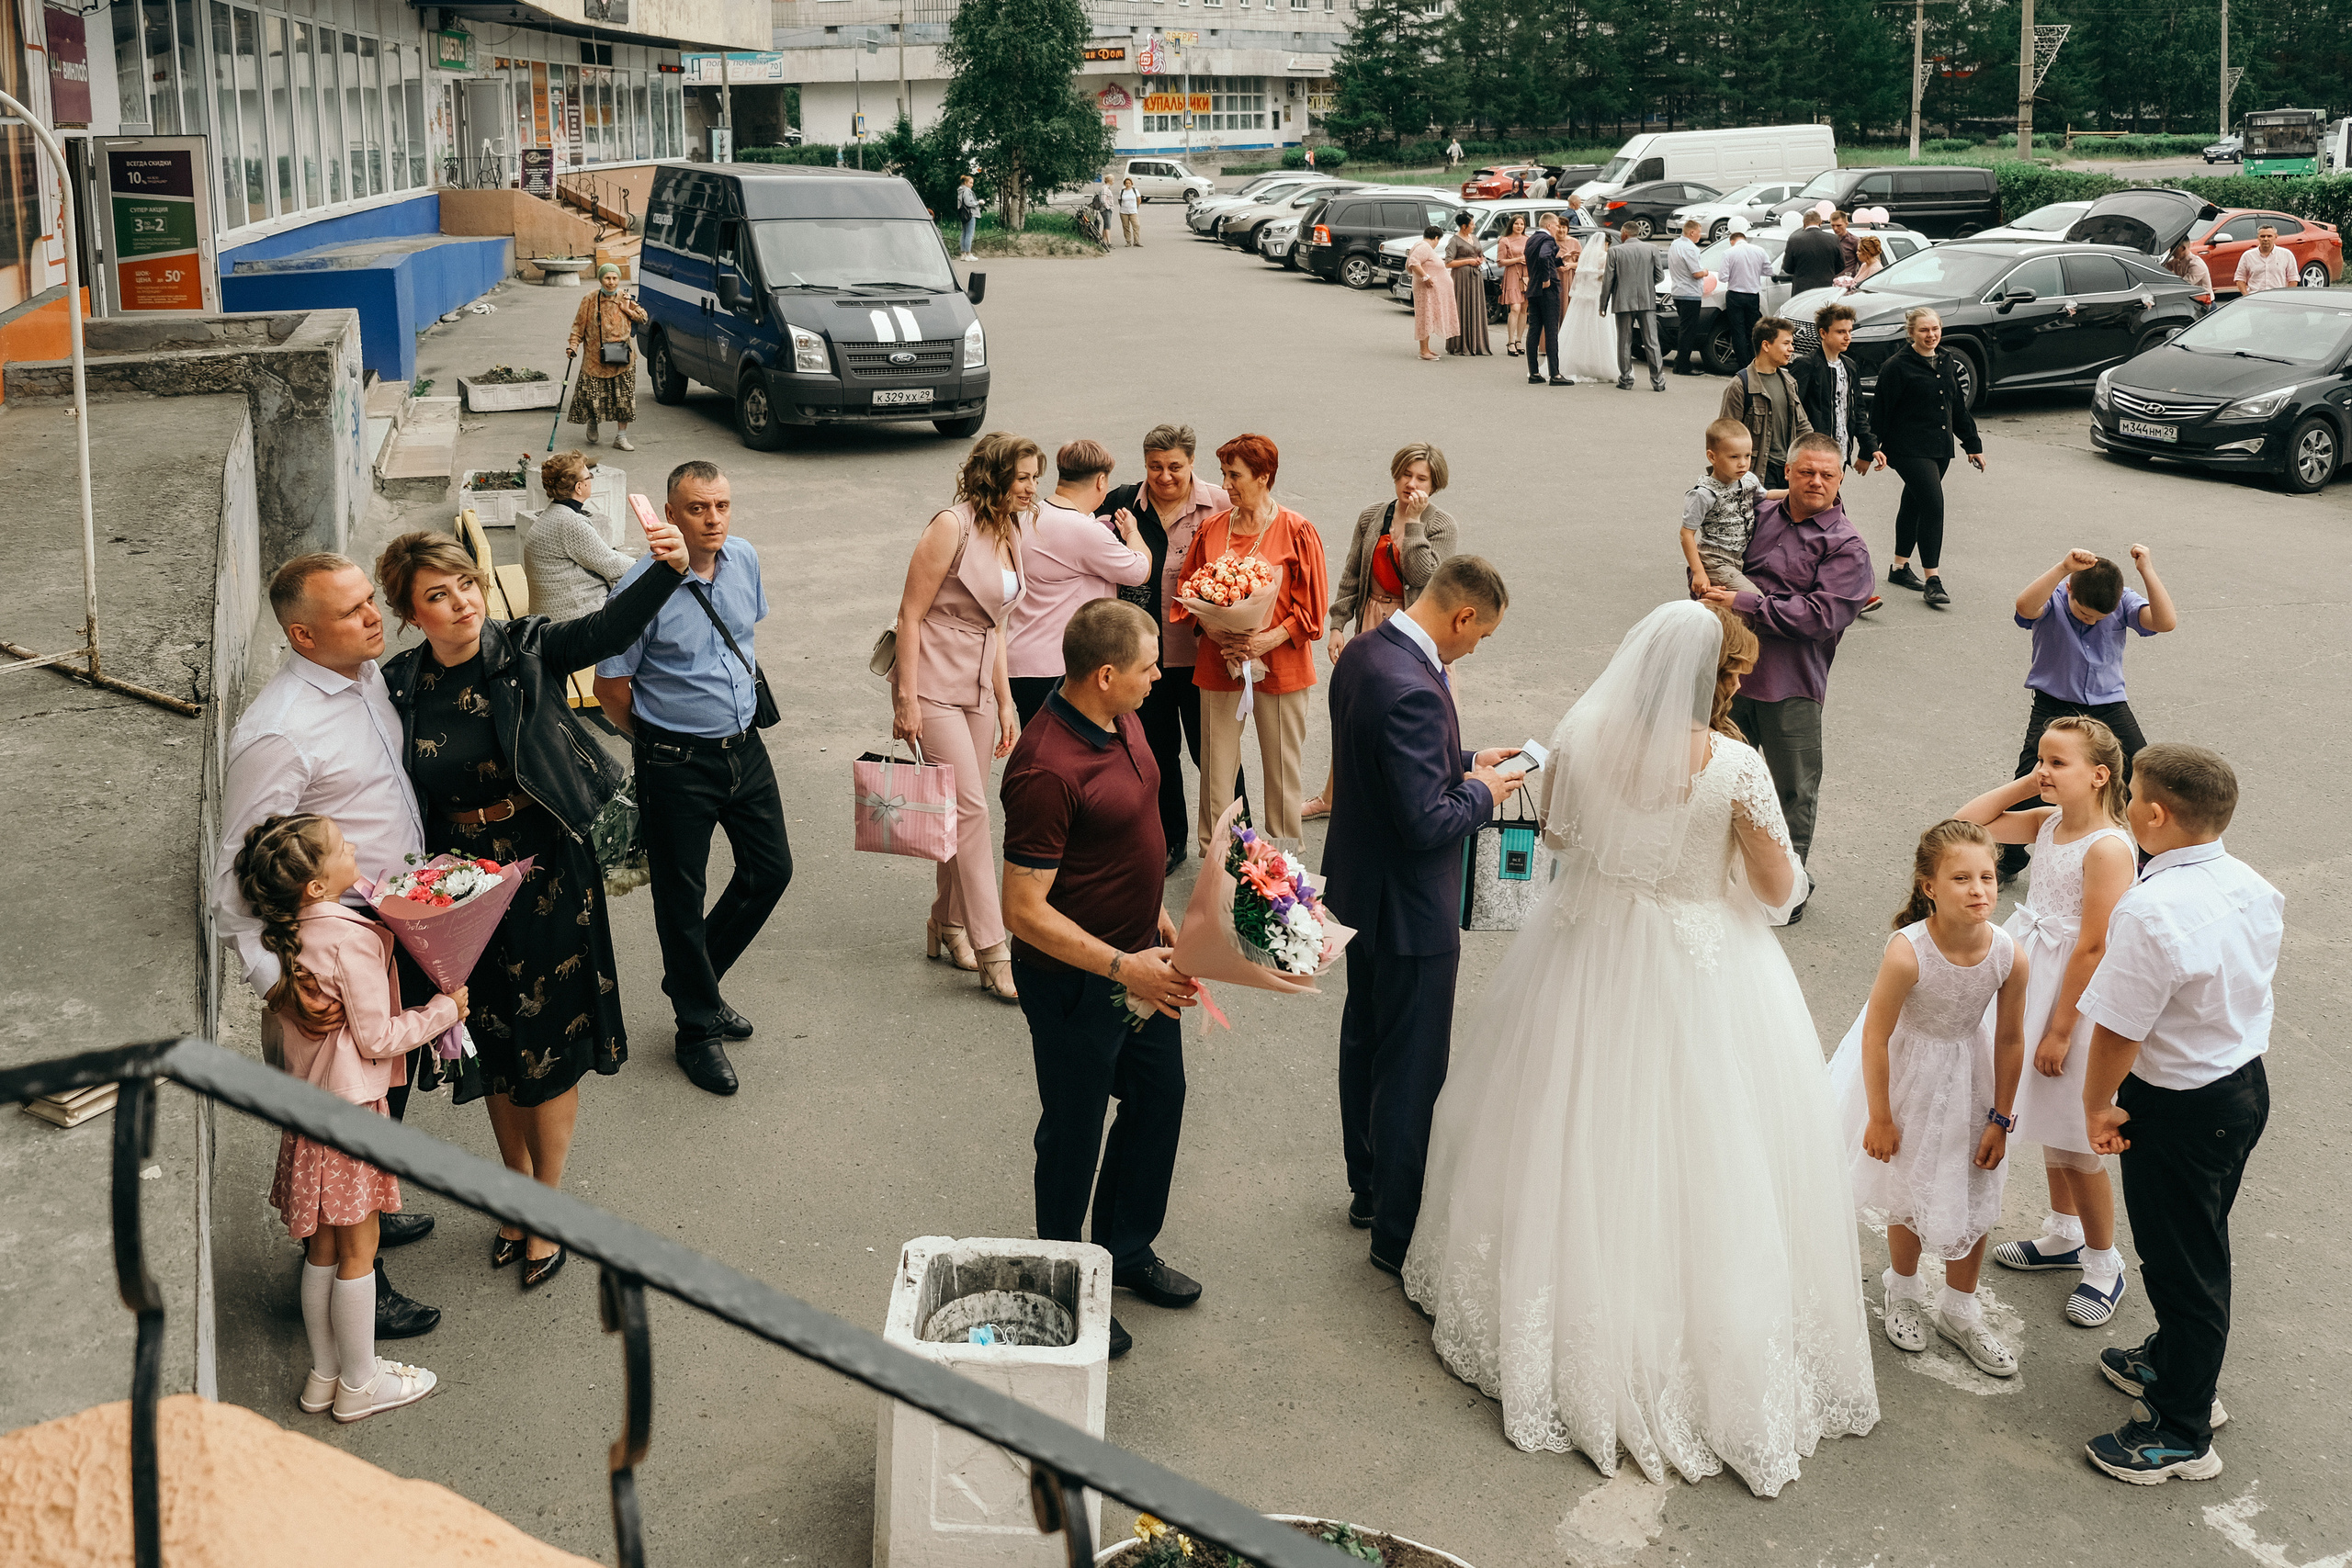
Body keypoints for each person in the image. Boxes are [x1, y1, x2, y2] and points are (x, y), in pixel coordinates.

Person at [1406, 601, 1879, 1495]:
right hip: (1699, 959)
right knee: (1707, 1146)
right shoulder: (1735, 765)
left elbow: (1554, 838)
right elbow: (1780, 887)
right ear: (1723, 682)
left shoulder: (1582, 739)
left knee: (1565, 1117)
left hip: (1584, 945)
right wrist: (1728, 867)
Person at [379, 515, 686, 1283]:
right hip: (457, 885)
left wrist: (668, 567)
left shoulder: (526, 650)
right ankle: (514, 1197)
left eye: (468, 586)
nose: (462, 604)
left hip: (545, 868)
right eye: (438, 596)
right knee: (495, 1041)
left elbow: (606, 625)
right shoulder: (398, 685)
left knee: (549, 1041)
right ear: (412, 612)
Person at [215, 553, 442, 1341]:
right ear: (303, 635)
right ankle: (358, 1282)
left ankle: (369, 1211)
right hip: (332, 970)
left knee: (382, 1106)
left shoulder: (365, 676)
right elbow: (234, 879)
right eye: (352, 612)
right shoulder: (279, 731)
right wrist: (280, 985)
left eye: (370, 601)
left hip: (386, 933)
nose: (374, 616)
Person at [1000, 599, 1203, 1363]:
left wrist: (1154, 909)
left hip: (1141, 957)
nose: (1160, 676)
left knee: (1159, 1099)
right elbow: (1022, 909)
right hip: (1081, 981)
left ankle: (1125, 1249)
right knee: (1075, 1132)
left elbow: (1126, 832)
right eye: (1150, 667)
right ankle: (1065, 1279)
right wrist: (1124, 964)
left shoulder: (1126, 720)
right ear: (1107, 674)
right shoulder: (1046, 767)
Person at [2076, 745, 2280, 1484]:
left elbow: (2121, 1027)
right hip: (2241, 1087)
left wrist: (2099, 1103)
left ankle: (2183, 1428)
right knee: (2200, 1237)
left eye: (2133, 795)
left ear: (2154, 816)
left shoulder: (2151, 907)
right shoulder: (2253, 884)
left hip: (2178, 1106)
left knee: (2182, 1263)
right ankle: (2171, 1363)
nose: (2129, 805)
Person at [1323, 557, 1523, 1276]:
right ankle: (1395, 1233)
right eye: (1483, 633)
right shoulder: (1414, 684)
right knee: (1410, 1066)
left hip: (1360, 889)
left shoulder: (1368, 651)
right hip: (1409, 906)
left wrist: (1468, 758)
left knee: (1365, 1039)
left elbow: (1388, 762)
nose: (1477, 647)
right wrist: (1487, 791)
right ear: (1461, 615)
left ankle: (1367, 1185)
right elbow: (1425, 820)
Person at [234, 814, 464, 1424]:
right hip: (351, 1117)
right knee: (360, 1248)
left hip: (310, 1115)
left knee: (324, 1249)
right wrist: (442, 1010)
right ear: (314, 885)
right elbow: (379, 1037)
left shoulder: (287, 937)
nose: (353, 848)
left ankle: (324, 1373)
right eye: (340, 847)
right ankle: (362, 1383)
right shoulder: (349, 939)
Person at [594, 461, 795, 1096]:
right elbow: (609, 688)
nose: (713, 519)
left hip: (745, 747)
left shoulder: (744, 559)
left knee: (771, 869)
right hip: (675, 760)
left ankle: (692, 978)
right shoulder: (637, 588)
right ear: (670, 515)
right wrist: (656, 742)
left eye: (722, 506)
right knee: (679, 899)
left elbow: (743, 638)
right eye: (699, 508)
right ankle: (696, 1029)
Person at [1827, 819, 2030, 1379]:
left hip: (1974, 1079)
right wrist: (1881, 1115)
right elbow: (1875, 1034)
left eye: (1987, 876)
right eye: (1961, 878)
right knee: (1911, 1185)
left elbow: (2011, 1037)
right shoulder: (1907, 953)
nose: (1979, 890)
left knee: (1977, 1185)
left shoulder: (2009, 954)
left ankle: (1961, 1309)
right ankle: (1905, 1288)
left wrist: (2001, 1118)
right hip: (1911, 1076)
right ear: (1929, 887)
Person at [1954, 720, 2137, 1325]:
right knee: (2046, 1116)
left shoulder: (2109, 846)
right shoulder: (2051, 821)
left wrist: (2060, 1030)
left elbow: (2092, 946)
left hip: (2070, 993)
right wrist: (2026, 782)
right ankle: (2063, 1234)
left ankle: (2105, 1263)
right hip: (2031, 966)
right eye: (2040, 760)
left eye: (2057, 762)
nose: (2044, 772)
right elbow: (1969, 824)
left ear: (2100, 774)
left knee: (2074, 1133)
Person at [1701, 433, 1875, 919]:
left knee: (1791, 790)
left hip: (1790, 685)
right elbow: (1712, 546)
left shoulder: (1847, 547)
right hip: (1728, 680)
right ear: (1788, 473)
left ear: (1840, 480)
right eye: (1806, 471)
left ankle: (1786, 890)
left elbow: (1820, 616)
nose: (1816, 481)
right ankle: (1715, 874)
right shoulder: (1756, 515)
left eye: (1827, 474)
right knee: (1715, 780)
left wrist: (1743, 601)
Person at [885, 434, 1033, 1004]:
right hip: (933, 684)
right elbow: (910, 615)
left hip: (978, 685)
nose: (1030, 489)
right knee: (971, 810)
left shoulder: (1010, 529)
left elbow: (997, 624)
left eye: (1034, 479)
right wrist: (907, 698)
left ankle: (945, 923)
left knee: (957, 809)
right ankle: (994, 947)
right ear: (995, 476)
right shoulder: (952, 525)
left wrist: (1005, 700)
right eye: (1022, 478)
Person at [1170, 434, 1327, 854]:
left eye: (1234, 475)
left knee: (1282, 767)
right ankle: (1220, 858)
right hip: (1218, 661)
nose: (1226, 485)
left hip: (1282, 667)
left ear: (1264, 476)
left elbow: (1312, 609)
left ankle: (1285, 860)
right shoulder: (1212, 529)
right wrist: (1219, 630)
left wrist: (1264, 641)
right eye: (1223, 474)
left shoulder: (1296, 530)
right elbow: (1188, 590)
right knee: (1216, 768)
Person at [1095, 425, 1240, 874]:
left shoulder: (1219, 502)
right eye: (1155, 467)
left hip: (1203, 658)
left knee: (1216, 756)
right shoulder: (1121, 501)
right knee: (1156, 755)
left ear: (1191, 464)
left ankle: (1239, 844)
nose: (1164, 476)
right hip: (1145, 661)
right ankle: (1169, 840)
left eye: (1175, 466)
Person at [1996, 546, 2177, 880]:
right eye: (2084, 614)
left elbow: (2165, 622)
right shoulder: (2055, 597)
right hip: (2054, 703)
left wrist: (2147, 570)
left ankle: (2150, 859)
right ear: (2069, 591)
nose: (2091, 620)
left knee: (2145, 775)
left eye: (2099, 618)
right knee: (2033, 777)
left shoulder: (2122, 600)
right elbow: (2024, 606)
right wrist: (2063, 568)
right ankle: (2009, 859)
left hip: (2108, 704)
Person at [1306, 443, 1460, 819]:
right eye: (1405, 475)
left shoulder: (1442, 526)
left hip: (1416, 631)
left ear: (1434, 483)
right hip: (1371, 620)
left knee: (1419, 717)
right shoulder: (1372, 516)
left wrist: (1415, 523)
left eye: (1421, 478)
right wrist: (1338, 624)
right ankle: (1332, 795)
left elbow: (1423, 575)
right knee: (1354, 709)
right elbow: (1352, 573)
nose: (1411, 484)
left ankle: (1416, 800)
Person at [1009, 440, 1151, 726]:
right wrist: (1132, 531)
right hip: (1058, 665)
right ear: (1101, 481)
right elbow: (1140, 569)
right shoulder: (1082, 529)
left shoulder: (1029, 518)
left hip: (1022, 660)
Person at [1873, 307, 1985, 611]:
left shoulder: (1947, 360)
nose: (1931, 335)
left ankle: (1898, 568)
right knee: (1933, 505)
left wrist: (1972, 443)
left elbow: (1956, 406)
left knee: (1914, 502)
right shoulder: (1896, 367)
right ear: (1911, 332)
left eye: (1935, 329)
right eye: (1923, 330)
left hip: (1939, 448)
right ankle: (1933, 580)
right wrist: (1870, 447)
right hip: (1906, 448)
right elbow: (1880, 412)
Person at [523, 450, 631, 622]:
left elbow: (601, 556)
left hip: (549, 612)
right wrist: (648, 564)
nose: (591, 481)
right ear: (579, 487)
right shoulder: (570, 522)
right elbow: (612, 565)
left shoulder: (552, 514)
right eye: (589, 477)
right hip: (573, 620)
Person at [1680, 419, 1781, 596]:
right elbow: (1686, 534)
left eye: (1748, 456)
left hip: (1740, 557)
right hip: (1715, 560)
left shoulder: (1748, 479)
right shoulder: (1704, 494)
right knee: (1754, 600)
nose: (1742, 463)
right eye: (1734, 457)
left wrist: (1796, 491)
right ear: (1712, 457)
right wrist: (1699, 573)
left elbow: (1766, 495)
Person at [1718, 317, 1813, 488]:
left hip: (1787, 470)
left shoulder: (1789, 382)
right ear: (1766, 345)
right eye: (1786, 343)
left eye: (1791, 343)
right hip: (1758, 472)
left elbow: (1802, 426)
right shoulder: (1740, 386)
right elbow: (1725, 438)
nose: (1791, 349)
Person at [564, 263, 647, 451]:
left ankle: (621, 437)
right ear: (601, 279)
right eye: (607, 278)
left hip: (622, 359)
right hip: (595, 359)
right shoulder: (589, 299)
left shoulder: (625, 297)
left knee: (624, 399)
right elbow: (578, 326)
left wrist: (626, 308)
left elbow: (643, 318)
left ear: (619, 279)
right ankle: (593, 421)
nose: (611, 282)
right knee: (593, 396)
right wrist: (572, 346)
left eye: (615, 278)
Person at [1601, 220, 1667, 391]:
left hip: (1623, 301)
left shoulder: (1615, 251)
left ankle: (1626, 379)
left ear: (1624, 233)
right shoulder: (1651, 248)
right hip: (1647, 300)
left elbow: (1608, 280)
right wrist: (1646, 284)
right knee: (1652, 341)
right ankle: (1658, 381)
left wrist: (1603, 303)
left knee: (1624, 341)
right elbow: (1660, 276)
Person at [1557, 222, 1618, 384]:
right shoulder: (1605, 257)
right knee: (1600, 331)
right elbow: (1606, 277)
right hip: (1598, 297)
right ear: (1607, 243)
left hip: (1582, 299)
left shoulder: (1585, 257)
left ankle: (1578, 361)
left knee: (1581, 330)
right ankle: (1600, 364)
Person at [1719, 219, 1770, 370]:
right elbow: (1768, 271)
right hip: (1753, 295)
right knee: (1753, 330)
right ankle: (1755, 362)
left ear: (1732, 241)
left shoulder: (1729, 252)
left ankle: (1743, 366)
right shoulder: (1759, 251)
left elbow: (1722, 277)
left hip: (1735, 294)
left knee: (1737, 330)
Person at [1522, 214, 1567, 386]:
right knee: (1551, 331)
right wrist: (1547, 277)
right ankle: (1555, 375)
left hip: (1533, 289)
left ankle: (1533, 372)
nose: (1558, 229)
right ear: (1549, 225)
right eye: (1556, 225)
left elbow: (1539, 259)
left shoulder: (1532, 239)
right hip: (1548, 291)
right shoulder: (1548, 240)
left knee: (1534, 329)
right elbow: (1543, 257)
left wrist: (1560, 260)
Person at [1668, 218, 1713, 376]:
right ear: (1692, 232)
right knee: (1688, 330)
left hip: (1678, 291)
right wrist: (1706, 272)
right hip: (1690, 293)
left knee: (1684, 328)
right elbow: (1696, 273)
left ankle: (1679, 361)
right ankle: (1683, 365)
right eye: (1699, 232)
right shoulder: (1691, 249)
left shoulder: (1675, 245)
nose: (1700, 236)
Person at [1442, 212, 1490, 357]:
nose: (1474, 226)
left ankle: (1476, 343)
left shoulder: (1474, 238)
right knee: (1462, 307)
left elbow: (1480, 253)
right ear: (1464, 226)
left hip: (1475, 277)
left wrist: (1481, 259)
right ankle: (1460, 344)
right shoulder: (1454, 241)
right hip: (1461, 278)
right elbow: (1448, 262)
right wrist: (1468, 261)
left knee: (1476, 306)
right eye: (1472, 224)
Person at [1407, 225, 1456, 362]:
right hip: (1424, 289)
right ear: (1436, 238)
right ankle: (1423, 350)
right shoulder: (1424, 247)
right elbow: (1413, 263)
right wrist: (1425, 277)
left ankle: (1426, 348)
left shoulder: (1421, 245)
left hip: (1427, 289)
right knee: (1424, 316)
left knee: (1427, 316)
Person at [1782, 209, 1842, 296]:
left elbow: (1787, 268)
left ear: (1804, 223)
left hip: (1802, 290)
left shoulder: (1794, 240)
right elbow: (1840, 266)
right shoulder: (1833, 239)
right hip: (1826, 289)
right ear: (1820, 222)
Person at [1497, 214, 1531, 355]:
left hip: (1527, 275)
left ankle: (1519, 340)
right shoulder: (1505, 241)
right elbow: (1500, 262)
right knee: (1515, 307)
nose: (1519, 227)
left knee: (1524, 308)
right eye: (1516, 224)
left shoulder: (1528, 239)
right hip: (1512, 274)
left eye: (1521, 224)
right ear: (1512, 225)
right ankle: (1510, 341)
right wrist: (1517, 259)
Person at [2234, 223, 2295, 295]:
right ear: (2258, 238)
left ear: (2276, 237)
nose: (2266, 239)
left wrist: (2287, 295)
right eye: (2262, 236)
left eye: (2269, 236)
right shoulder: (2247, 256)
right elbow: (2240, 278)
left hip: (2278, 296)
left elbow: (2293, 278)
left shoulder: (2286, 255)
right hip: (2255, 297)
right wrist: (2246, 295)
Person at [2165, 237, 2214, 314]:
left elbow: (2184, 285)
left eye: (2173, 249)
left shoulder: (2196, 265)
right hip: (2190, 302)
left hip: (2204, 305)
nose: (2171, 252)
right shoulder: (2176, 261)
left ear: (2182, 248)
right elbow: (2163, 269)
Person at [956, 174, 981, 260]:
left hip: (963, 214)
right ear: (965, 182)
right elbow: (968, 203)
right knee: (969, 234)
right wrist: (978, 203)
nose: (972, 184)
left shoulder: (960, 191)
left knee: (964, 233)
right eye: (970, 182)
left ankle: (963, 254)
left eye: (972, 183)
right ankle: (968, 254)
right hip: (970, 214)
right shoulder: (967, 191)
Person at [1831, 210, 1859, 274]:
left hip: (1847, 280)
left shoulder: (1854, 241)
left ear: (1846, 224)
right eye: (1833, 225)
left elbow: (1863, 264)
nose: (1835, 228)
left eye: (1839, 225)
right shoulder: (1829, 240)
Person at [1117, 176, 1142, 248]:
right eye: (1126, 183)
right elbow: (1119, 200)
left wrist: (1136, 207)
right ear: (1124, 184)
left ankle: (1136, 241)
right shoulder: (1122, 192)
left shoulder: (1135, 191)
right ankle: (1128, 241)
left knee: (1136, 225)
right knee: (1126, 226)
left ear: (1131, 184)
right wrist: (1123, 206)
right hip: (1123, 211)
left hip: (1133, 211)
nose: (1128, 184)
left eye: (1129, 183)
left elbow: (1139, 200)